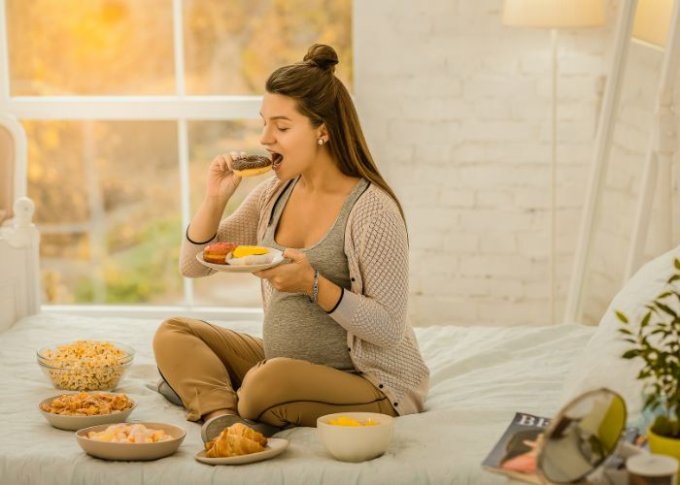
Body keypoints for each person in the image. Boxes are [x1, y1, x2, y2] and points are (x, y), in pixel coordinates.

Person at [152, 43, 430, 443]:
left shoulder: (373, 211)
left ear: (323, 130)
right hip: (280, 364)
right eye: (264, 123)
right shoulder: (273, 193)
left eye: (282, 127)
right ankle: (222, 414)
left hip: (368, 382)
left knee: (267, 383)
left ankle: (215, 395)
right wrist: (215, 198)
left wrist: (312, 285)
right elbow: (194, 265)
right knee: (175, 331)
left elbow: (387, 329)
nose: (265, 138)